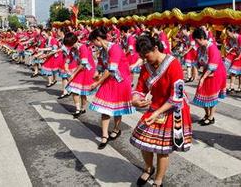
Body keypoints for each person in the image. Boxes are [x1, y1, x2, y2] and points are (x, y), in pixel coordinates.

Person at [130, 34, 192, 187]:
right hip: (156, 106)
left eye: (146, 55)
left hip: (172, 108)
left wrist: (157, 112)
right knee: (143, 140)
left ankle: (158, 180)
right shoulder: (146, 67)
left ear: (156, 48)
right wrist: (136, 100)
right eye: (142, 56)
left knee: (162, 148)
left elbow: (176, 96)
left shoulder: (173, 64)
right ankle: (148, 168)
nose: (145, 59)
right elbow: (140, 89)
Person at [88, 28, 135, 149]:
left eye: (94, 42)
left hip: (120, 81)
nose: (94, 45)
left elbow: (111, 69)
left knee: (117, 109)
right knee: (105, 109)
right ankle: (104, 135)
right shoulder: (103, 50)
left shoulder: (115, 48)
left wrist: (97, 82)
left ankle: (116, 129)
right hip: (108, 81)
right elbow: (100, 65)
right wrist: (96, 73)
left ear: (98, 39)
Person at [192, 28, 227, 126]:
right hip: (206, 73)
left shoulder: (212, 48)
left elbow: (212, 66)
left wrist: (203, 78)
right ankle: (206, 114)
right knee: (201, 93)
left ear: (202, 38)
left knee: (211, 96)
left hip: (216, 74)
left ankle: (211, 117)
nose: (196, 43)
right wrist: (196, 72)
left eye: (197, 41)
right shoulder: (200, 48)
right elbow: (196, 62)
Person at [64, 32, 96, 117]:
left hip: (87, 71)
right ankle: (78, 109)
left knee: (83, 92)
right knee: (74, 90)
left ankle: (83, 108)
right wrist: (66, 68)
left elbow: (83, 63)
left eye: (70, 45)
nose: (69, 47)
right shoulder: (72, 49)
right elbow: (68, 60)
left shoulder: (83, 48)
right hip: (79, 70)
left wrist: (73, 74)